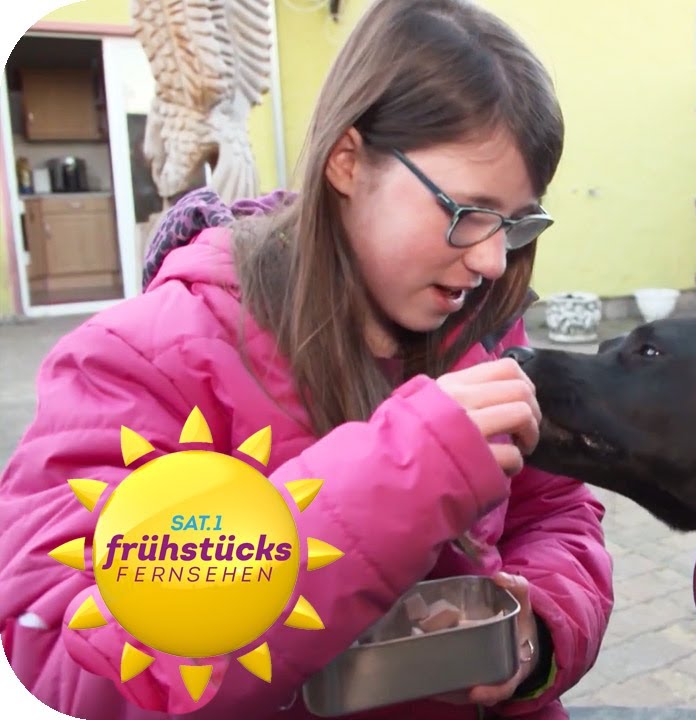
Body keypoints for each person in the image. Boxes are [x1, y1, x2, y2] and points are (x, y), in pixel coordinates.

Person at [0, 0, 613, 718]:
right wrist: (399, 478)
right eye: (465, 210)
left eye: (514, 222)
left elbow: (558, 515)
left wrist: (536, 633)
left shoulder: (482, 331)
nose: (488, 258)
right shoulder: (143, 359)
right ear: (348, 161)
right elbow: (62, 657)